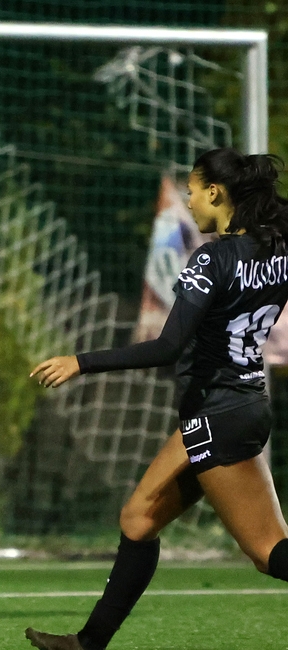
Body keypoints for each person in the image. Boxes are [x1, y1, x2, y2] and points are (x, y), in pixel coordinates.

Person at [25, 147, 288, 650]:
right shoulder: (278, 247)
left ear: (216, 192)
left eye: (193, 189)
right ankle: (87, 644)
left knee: (267, 552)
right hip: (241, 407)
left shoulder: (212, 258)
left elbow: (168, 347)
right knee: (139, 519)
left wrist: (82, 362)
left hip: (219, 411)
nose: (189, 201)